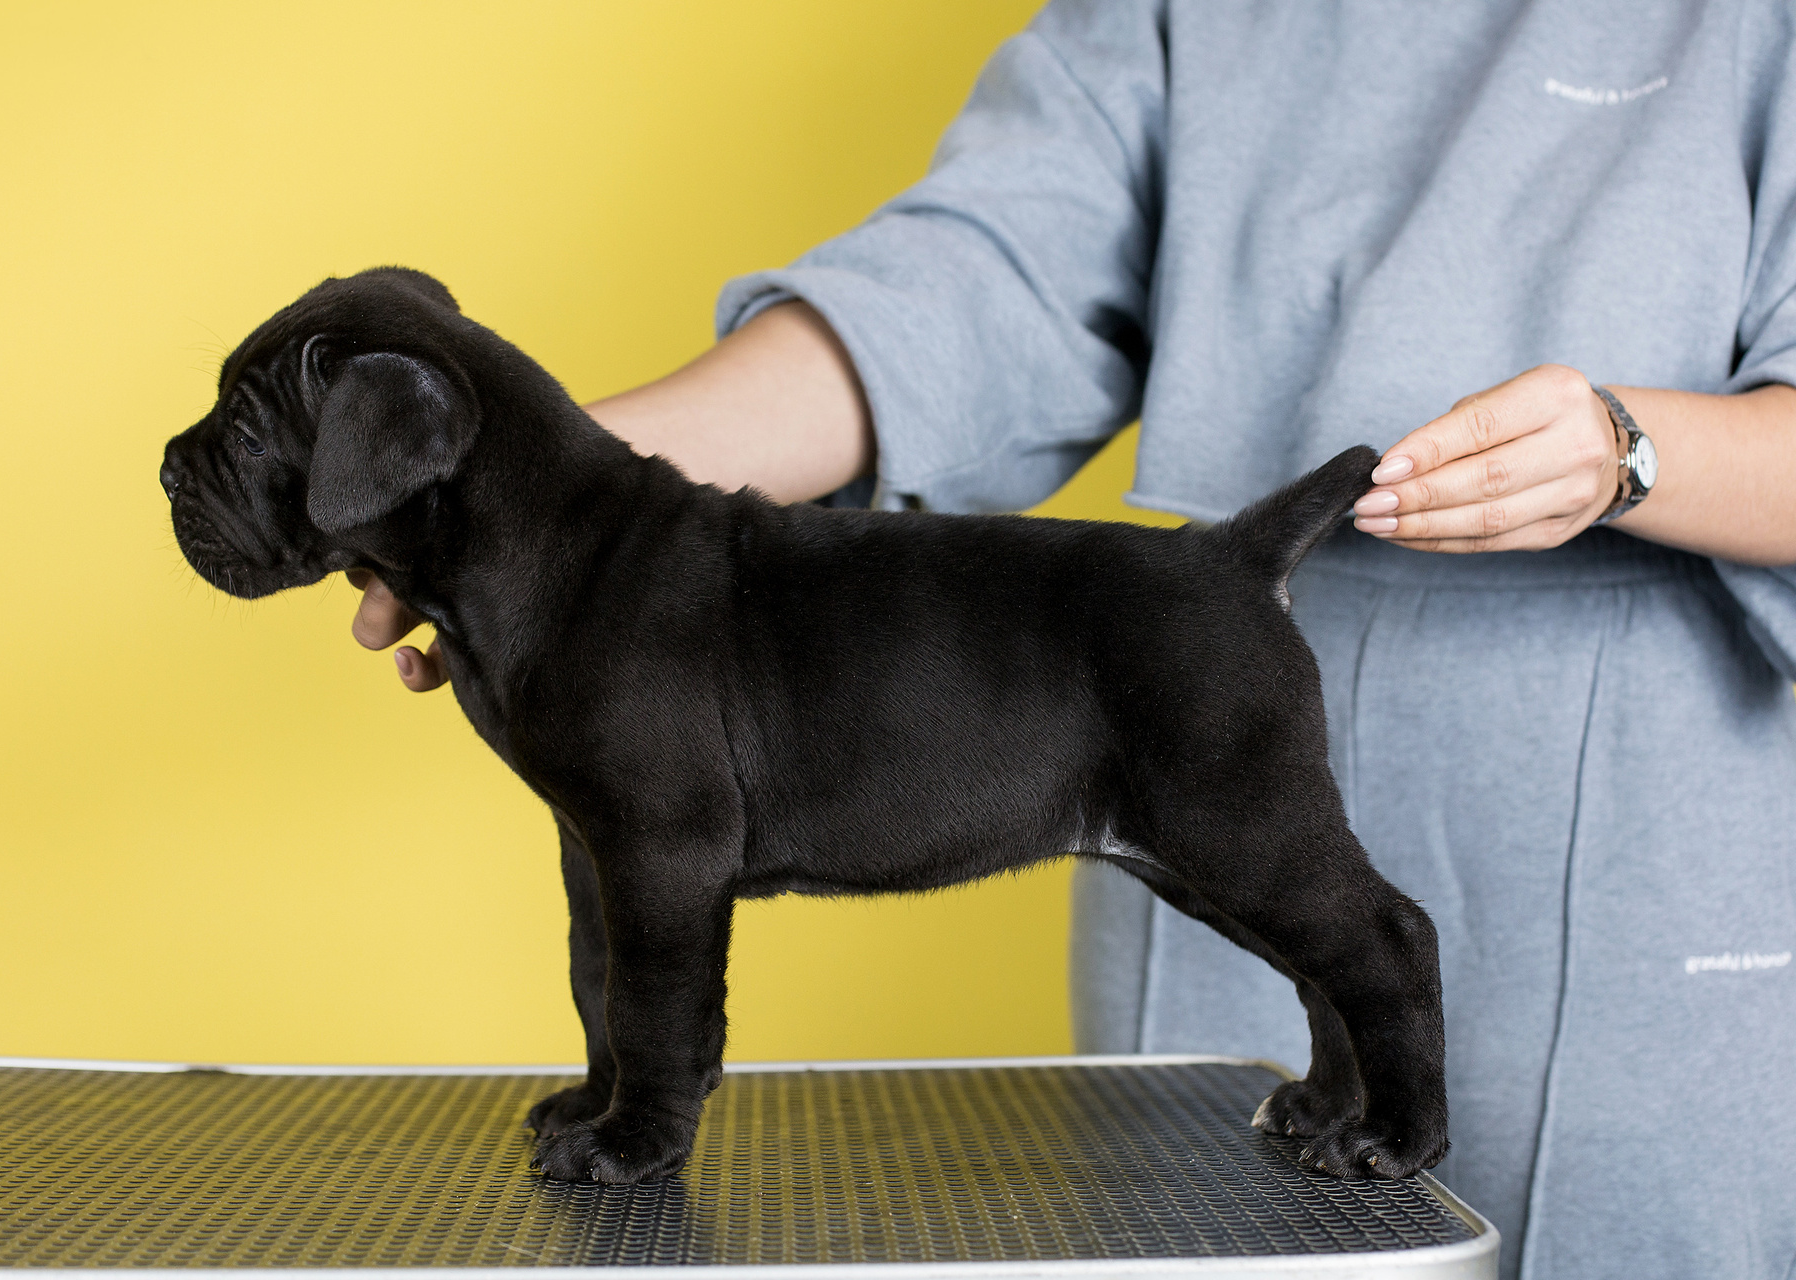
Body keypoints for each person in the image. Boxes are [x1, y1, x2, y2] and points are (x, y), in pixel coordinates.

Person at [350, 3, 1796, 1276]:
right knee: (1224, 1209)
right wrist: (538, 510)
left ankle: (1393, 1075)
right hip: (1144, 672)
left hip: (1641, 856)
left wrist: (1636, 448)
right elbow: (973, 294)